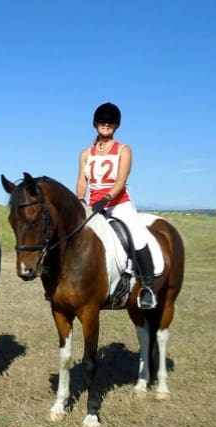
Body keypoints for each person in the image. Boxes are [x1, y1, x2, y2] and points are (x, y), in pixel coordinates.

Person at [75, 102, 157, 309]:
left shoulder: (123, 150)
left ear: (116, 125)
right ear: (96, 124)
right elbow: (82, 181)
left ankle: (148, 287)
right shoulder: (86, 153)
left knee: (136, 237)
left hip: (118, 204)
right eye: (102, 122)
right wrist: (79, 201)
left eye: (110, 123)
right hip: (93, 206)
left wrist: (106, 199)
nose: (106, 125)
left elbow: (121, 180)